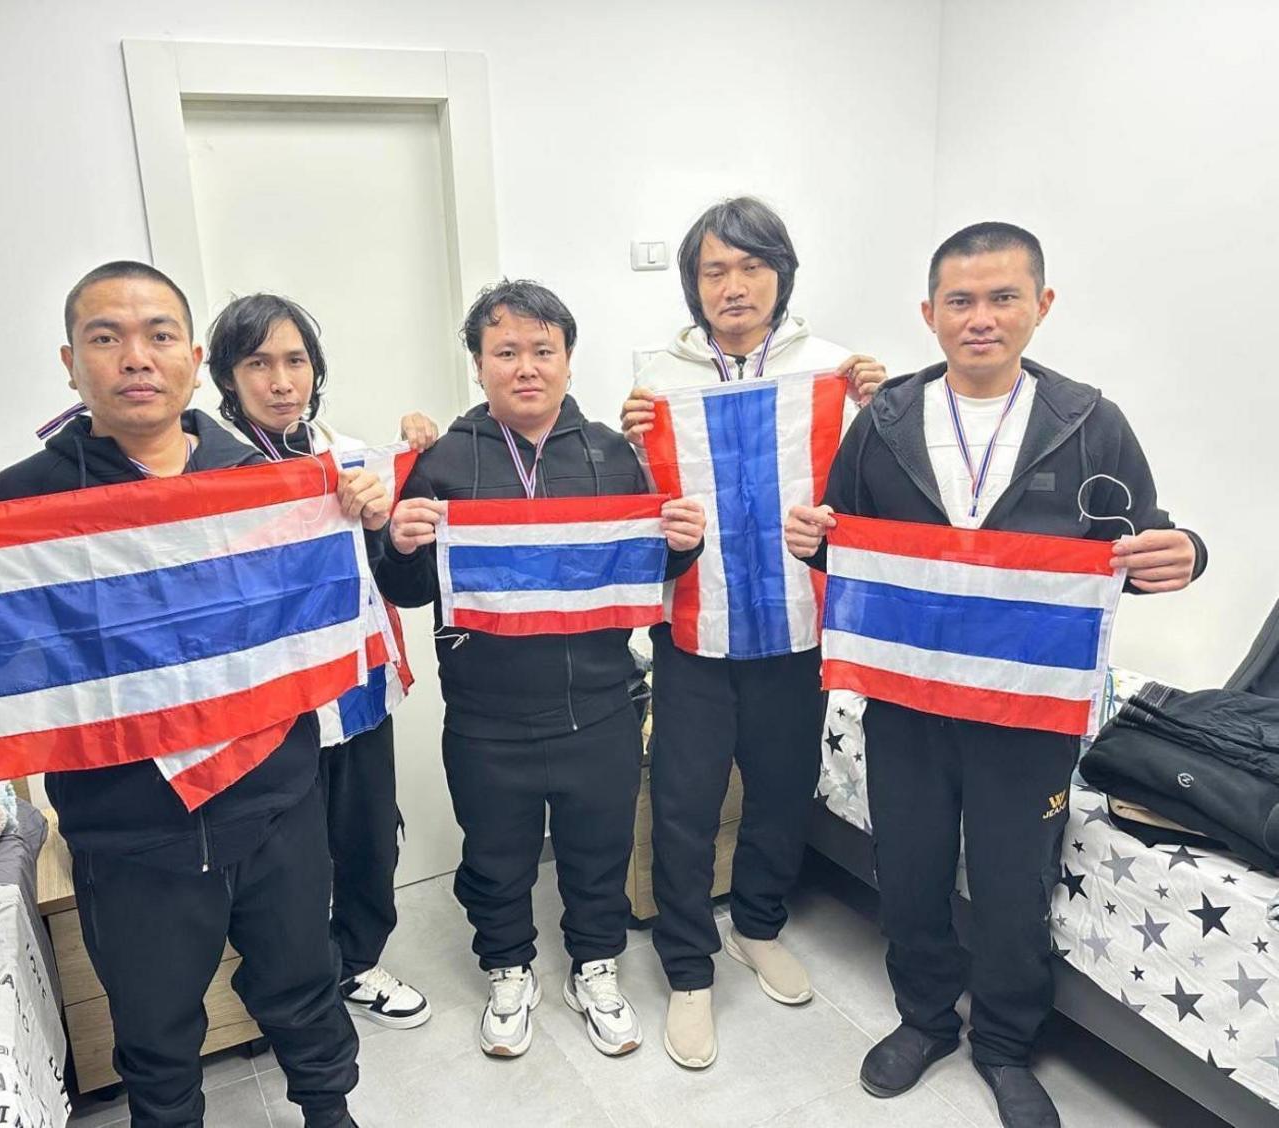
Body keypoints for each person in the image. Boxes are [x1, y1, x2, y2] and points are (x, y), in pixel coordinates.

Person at [0, 262, 366, 1128]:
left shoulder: (259, 477)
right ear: (72, 363)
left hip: (277, 800)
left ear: (192, 358)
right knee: (154, 1035)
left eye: (158, 336)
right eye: (107, 338)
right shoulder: (25, 501)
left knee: (305, 987)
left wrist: (358, 510)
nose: (135, 357)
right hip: (129, 830)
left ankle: (331, 1113)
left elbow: (322, 617)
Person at [784, 223, 1207, 1128]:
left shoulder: (1091, 423)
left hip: (1031, 709)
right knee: (910, 870)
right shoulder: (885, 422)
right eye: (961, 301)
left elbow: (1146, 537)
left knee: (1016, 884)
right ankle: (924, 1019)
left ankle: (1008, 1043)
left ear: (1040, 307)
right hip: (908, 702)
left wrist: (1190, 553)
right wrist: (814, 545)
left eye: (1003, 297)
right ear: (929, 314)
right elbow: (847, 549)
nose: (982, 318)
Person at [372, 279, 706, 1060]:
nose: (526, 367)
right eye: (506, 352)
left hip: (600, 703)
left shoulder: (613, 455)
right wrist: (403, 542)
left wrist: (683, 543)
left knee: (600, 850)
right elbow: (413, 590)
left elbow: (649, 570)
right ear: (479, 366)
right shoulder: (444, 460)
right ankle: (509, 967)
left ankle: (594, 964)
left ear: (567, 359)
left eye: (542, 351)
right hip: (486, 715)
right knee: (495, 856)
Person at [619, 196, 887, 1069]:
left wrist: (882, 410)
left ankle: (761, 926)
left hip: (798, 626)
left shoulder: (838, 372)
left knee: (781, 791)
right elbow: (630, 509)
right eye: (713, 271)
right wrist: (633, 446)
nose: (733, 287)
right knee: (688, 809)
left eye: (751, 267)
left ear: (781, 274)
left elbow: (885, 493)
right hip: (694, 632)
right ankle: (689, 970)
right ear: (693, 285)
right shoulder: (656, 380)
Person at [205, 291, 434, 1030]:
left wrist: (385, 513)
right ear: (228, 377)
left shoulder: (352, 453)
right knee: (286, 865)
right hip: (272, 706)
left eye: (295, 360)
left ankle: (360, 963)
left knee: (368, 837)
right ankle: (297, 990)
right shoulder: (206, 473)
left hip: (357, 687)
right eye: (258, 363)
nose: (281, 381)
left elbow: (403, 570)